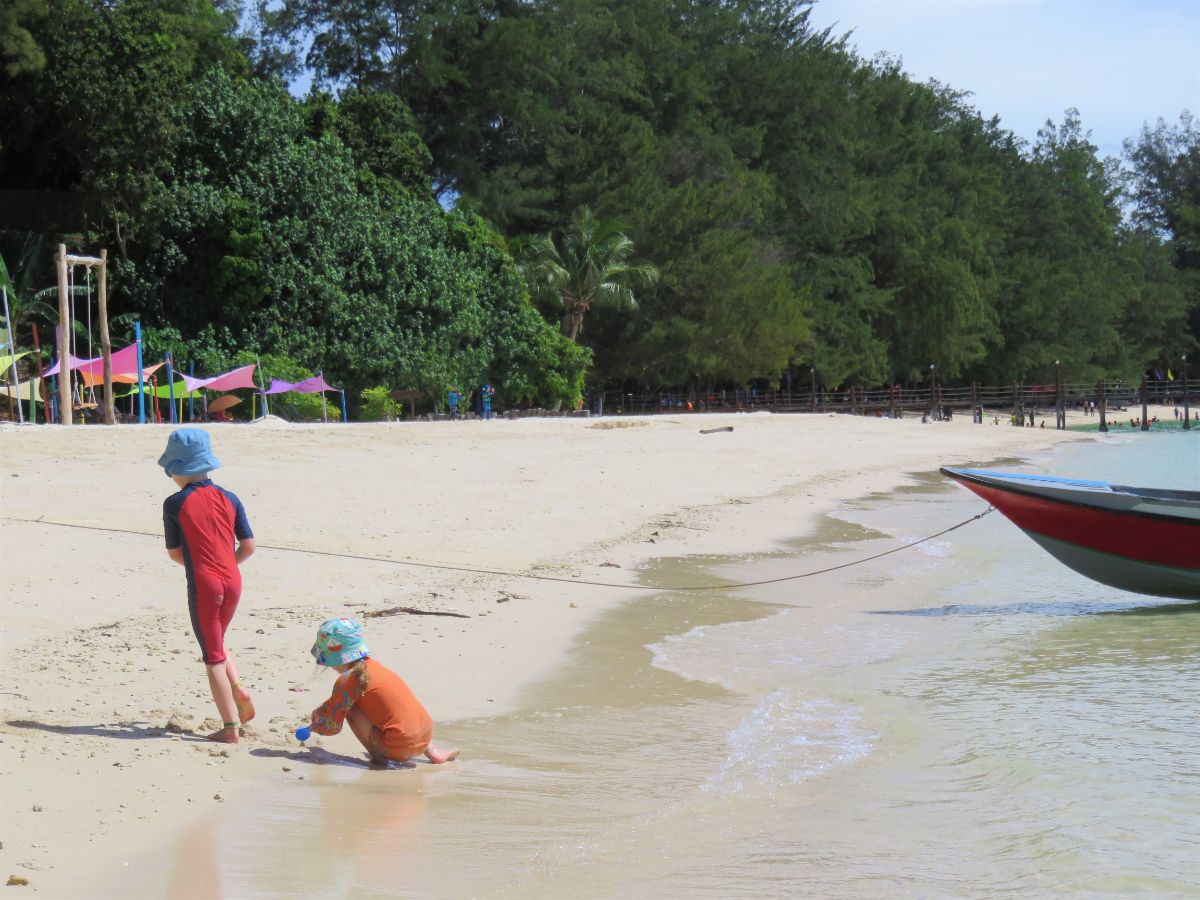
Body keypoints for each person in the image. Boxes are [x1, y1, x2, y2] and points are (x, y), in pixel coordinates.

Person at [160, 428, 256, 743]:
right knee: (218, 639)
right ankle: (238, 689)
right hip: (234, 581)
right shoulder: (231, 497)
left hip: (204, 584)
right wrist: (227, 565)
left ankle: (230, 729)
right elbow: (248, 546)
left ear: (176, 469)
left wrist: (205, 568)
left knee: (212, 655)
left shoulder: (174, 503)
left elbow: (175, 554)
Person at [308, 618, 459, 767]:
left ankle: (378, 758)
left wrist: (315, 727)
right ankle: (434, 753)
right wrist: (322, 709)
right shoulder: (377, 669)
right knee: (400, 712)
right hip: (425, 736)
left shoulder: (347, 680)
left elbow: (332, 728)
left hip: (400, 748)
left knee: (351, 708)